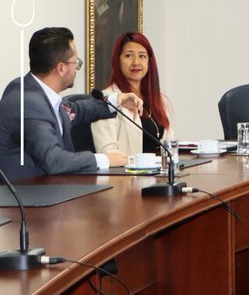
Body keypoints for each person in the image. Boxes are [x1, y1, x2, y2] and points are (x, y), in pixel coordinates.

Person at [0, 27, 142, 181]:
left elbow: (76, 110)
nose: (77, 68)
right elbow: (53, 160)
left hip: (50, 191)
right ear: (61, 68)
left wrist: (116, 100)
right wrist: (105, 159)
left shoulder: (36, 92)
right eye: (76, 63)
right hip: (27, 198)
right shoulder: (26, 102)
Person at [92, 32, 175, 156]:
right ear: (118, 60)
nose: (136, 62)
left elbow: (170, 143)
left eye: (142, 56)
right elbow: (108, 152)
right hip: (128, 174)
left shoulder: (159, 99)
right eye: (129, 56)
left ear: (149, 62)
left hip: (160, 172)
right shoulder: (107, 101)